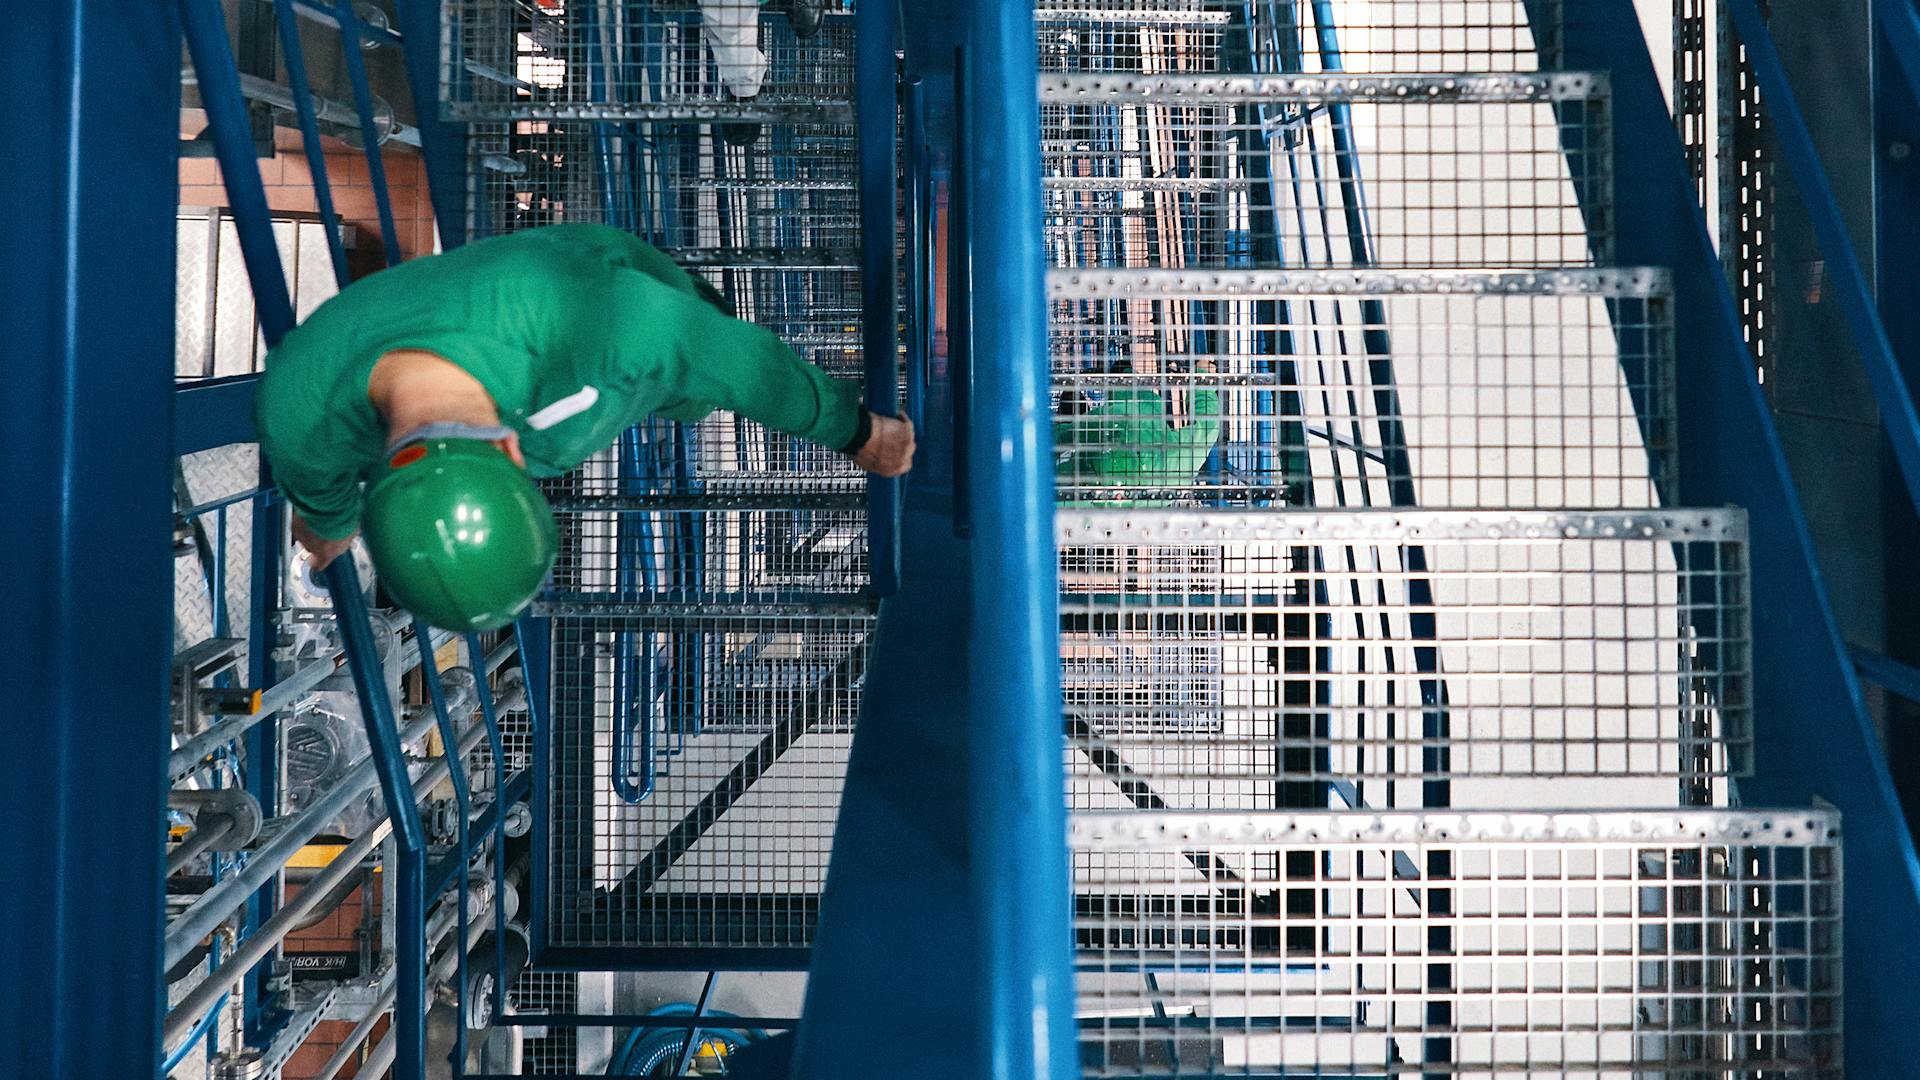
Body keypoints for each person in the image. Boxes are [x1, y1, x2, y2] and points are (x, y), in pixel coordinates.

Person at [256, 222, 914, 630]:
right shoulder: (293, 412)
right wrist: (332, 534)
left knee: (695, 385)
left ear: (515, 446)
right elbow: (326, 521)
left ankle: (683, 389)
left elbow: (735, 358)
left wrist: (858, 432)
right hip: (553, 359)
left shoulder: (600, 322)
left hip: (611, 300)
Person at [1053, 364, 1221, 504]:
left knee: (1074, 413)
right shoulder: (1165, 470)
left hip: (1118, 413)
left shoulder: (1167, 472)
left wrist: (1201, 376)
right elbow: (1208, 427)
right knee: (1120, 376)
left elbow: (1209, 429)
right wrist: (1201, 377)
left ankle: (1074, 412)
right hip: (1134, 406)